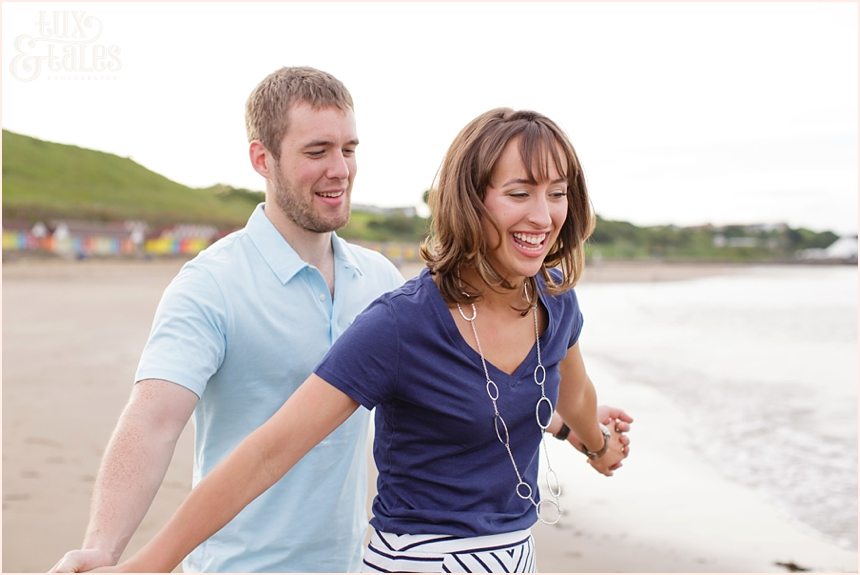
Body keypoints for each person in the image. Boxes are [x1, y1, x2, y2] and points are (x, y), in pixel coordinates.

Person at [50, 70, 631, 573]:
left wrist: (569, 427)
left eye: (349, 149)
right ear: (262, 159)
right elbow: (159, 423)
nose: (340, 169)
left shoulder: (378, 278)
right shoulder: (214, 285)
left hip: (351, 556)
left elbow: (458, 382)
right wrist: (111, 551)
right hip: (246, 563)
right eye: (317, 151)